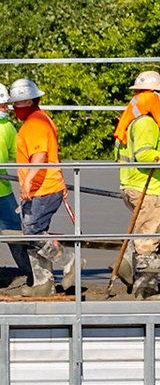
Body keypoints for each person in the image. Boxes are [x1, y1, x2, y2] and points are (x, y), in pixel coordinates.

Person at [114, 70, 160, 297]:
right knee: (149, 235)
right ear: (154, 94)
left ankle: (126, 264)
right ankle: (145, 289)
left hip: (134, 185)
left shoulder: (132, 119)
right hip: (145, 186)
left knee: (156, 223)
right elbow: (145, 156)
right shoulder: (146, 122)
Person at [10, 79, 71, 293]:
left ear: (27, 101)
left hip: (43, 189)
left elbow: (40, 155)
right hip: (41, 189)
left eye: (16, 103)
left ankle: (69, 262)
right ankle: (43, 285)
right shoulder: (40, 119)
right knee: (35, 233)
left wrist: (27, 180)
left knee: (33, 233)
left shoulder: (36, 123)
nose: (13, 108)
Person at [0, 104, 23, 283]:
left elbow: (19, 155)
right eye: (2, 105)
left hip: (3, 191)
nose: (6, 108)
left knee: (15, 232)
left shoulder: (8, 127)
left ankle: (28, 272)